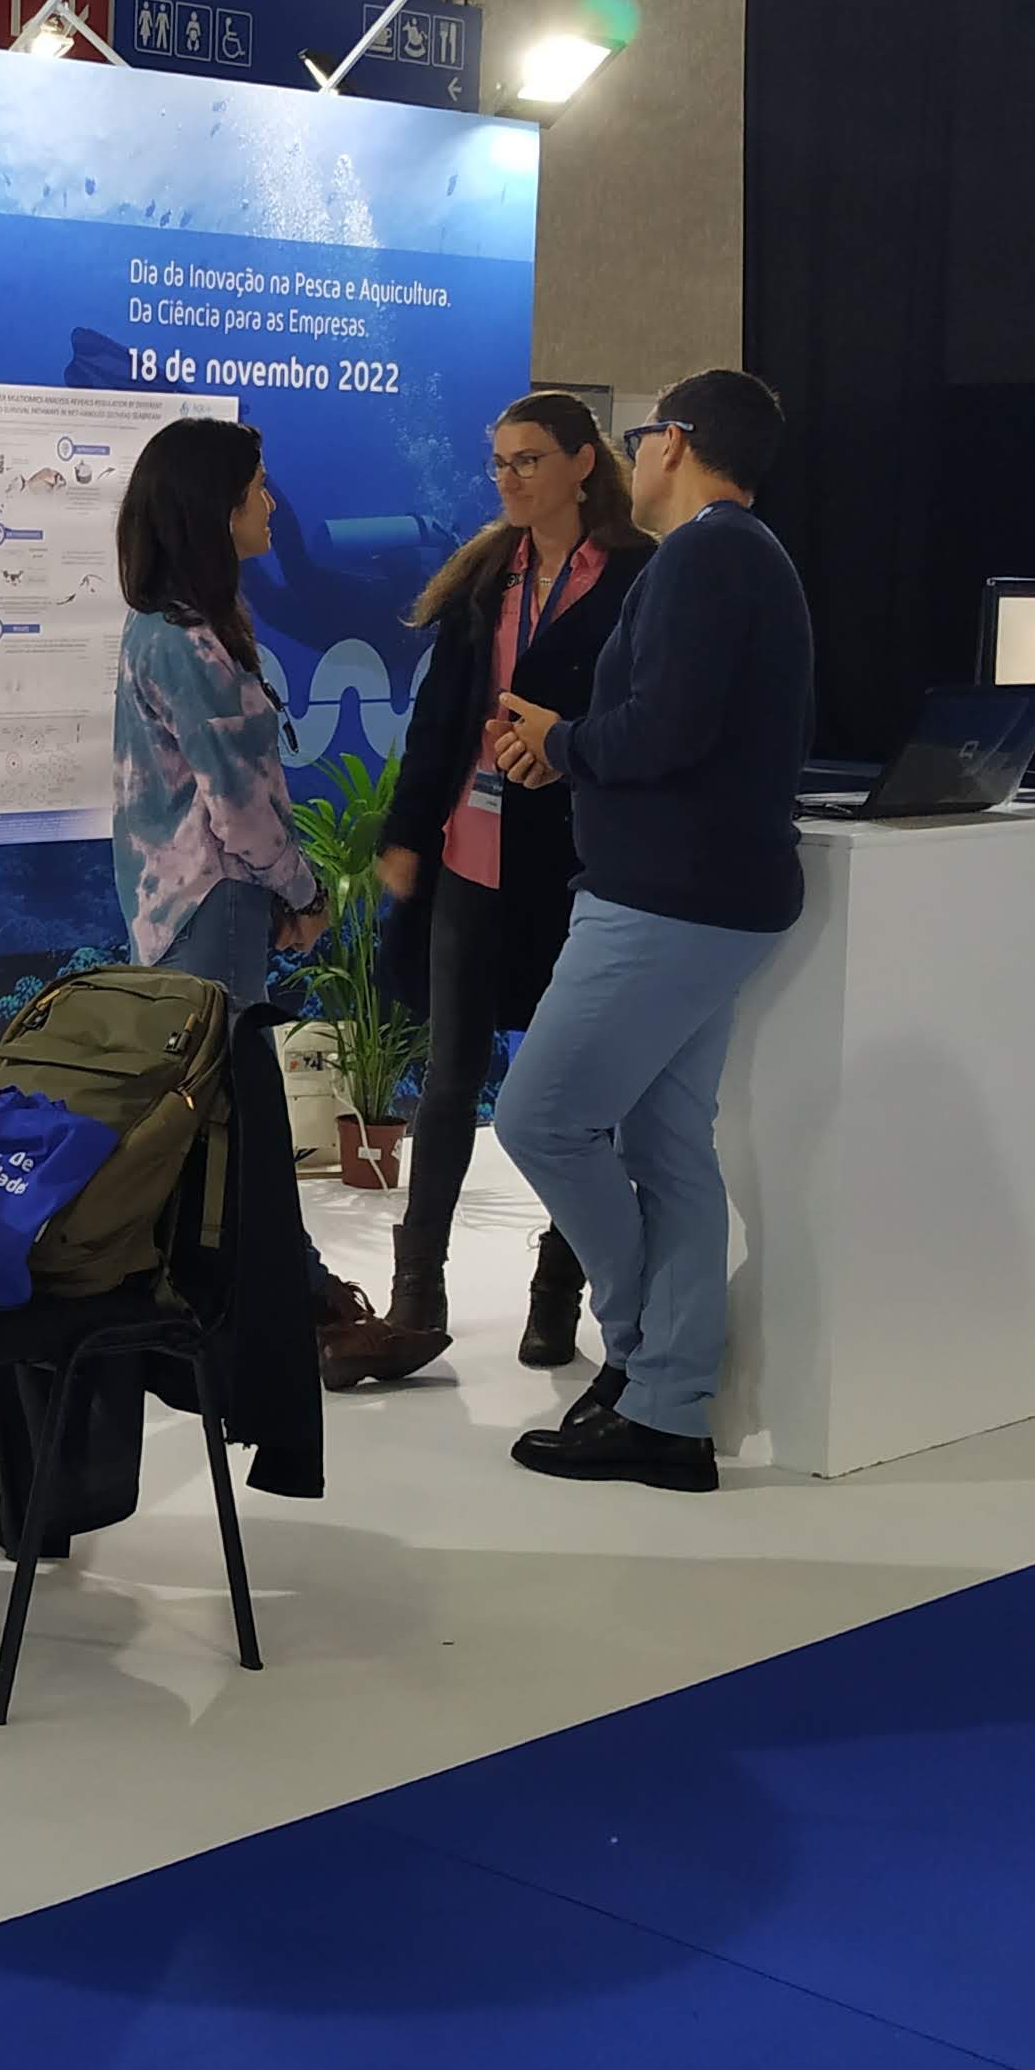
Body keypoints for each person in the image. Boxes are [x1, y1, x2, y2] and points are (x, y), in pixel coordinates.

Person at [481, 368, 815, 1491]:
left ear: (675, 442)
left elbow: (663, 730)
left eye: (641, 436)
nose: (634, 454)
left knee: (539, 1118)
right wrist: (576, 745)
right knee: (667, 1146)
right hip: (702, 895)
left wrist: (562, 743)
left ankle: (638, 1359)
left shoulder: (707, 556)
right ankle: (668, 1414)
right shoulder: (741, 556)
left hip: (666, 899)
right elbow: (685, 724)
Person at [111, 416, 448, 1388]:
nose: (270, 504)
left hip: (177, 906)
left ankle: (272, 1304)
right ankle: (300, 1311)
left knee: (215, 1125)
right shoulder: (193, 644)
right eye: (257, 489)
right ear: (215, 509)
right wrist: (302, 894)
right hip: (213, 907)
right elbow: (241, 805)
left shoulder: (164, 629)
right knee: (239, 1126)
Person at [374, 392, 652, 1364]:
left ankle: (558, 1288)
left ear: (584, 462)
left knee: (578, 1087)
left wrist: (569, 751)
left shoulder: (638, 576)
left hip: (579, 864)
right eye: (499, 461)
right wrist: (406, 833)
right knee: (449, 1077)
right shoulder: (487, 573)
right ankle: (416, 1293)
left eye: (528, 459)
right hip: (470, 855)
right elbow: (439, 719)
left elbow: (644, 720)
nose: (509, 478)